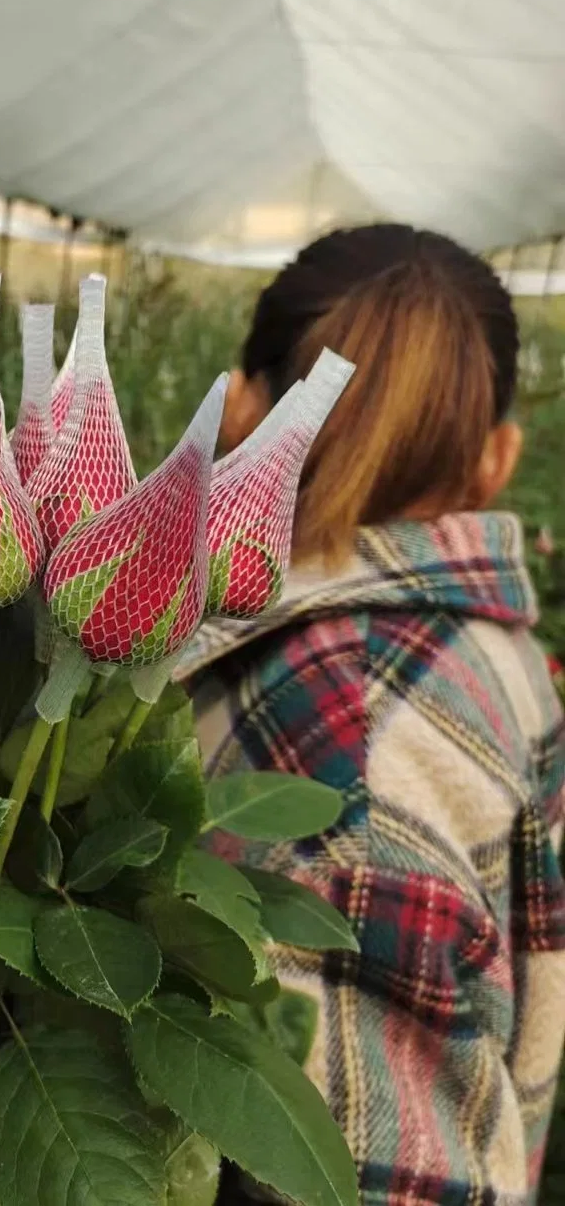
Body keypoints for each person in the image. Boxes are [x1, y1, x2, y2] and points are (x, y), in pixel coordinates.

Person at [176, 225, 565, 1206]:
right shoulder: (492, 652)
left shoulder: (344, 751)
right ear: (495, 462)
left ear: (237, 409)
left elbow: (366, 1174)